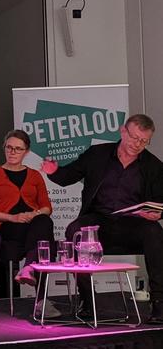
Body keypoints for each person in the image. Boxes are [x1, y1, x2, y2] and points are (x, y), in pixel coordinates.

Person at [42, 114, 163, 324]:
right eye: (134, 138)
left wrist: (158, 212)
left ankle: (159, 303)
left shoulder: (153, 165)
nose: (138, 144)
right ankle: (88, 302)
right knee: (75, 230)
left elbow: (160, 200)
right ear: (123, 131)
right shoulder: (98, 154)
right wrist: (53, 172)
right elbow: (67, 176)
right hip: (98, 221)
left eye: (144, 141)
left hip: (132, 224)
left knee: (155, 232)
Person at [0, 129, 57, 317]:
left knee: (43, 222)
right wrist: (13, 217)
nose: (12, 152)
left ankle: (29, 267)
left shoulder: (34, 176)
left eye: (18, 149)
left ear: (26, 152)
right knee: (45, 243)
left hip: (32, 223)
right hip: (7, 226)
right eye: (9, 147)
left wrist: (34, 214)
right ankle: (40, 298)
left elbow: (47, 206)